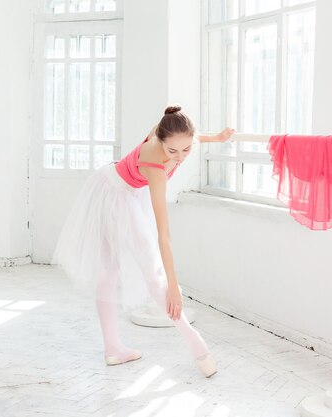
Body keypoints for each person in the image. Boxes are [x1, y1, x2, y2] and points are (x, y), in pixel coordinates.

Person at [53, 105, 234, 377]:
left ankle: (114, 349)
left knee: (116, 270)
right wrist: (174, 285)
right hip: (113, 193)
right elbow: (164, 234)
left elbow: (189, 137)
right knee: (144, 269)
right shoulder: (154, 164)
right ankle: (195, 343)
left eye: (187, 150)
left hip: (123, 188)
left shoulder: (176, 136)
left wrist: (217, 139)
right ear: (160, 141)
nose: (180, 157)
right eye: (172, 151)